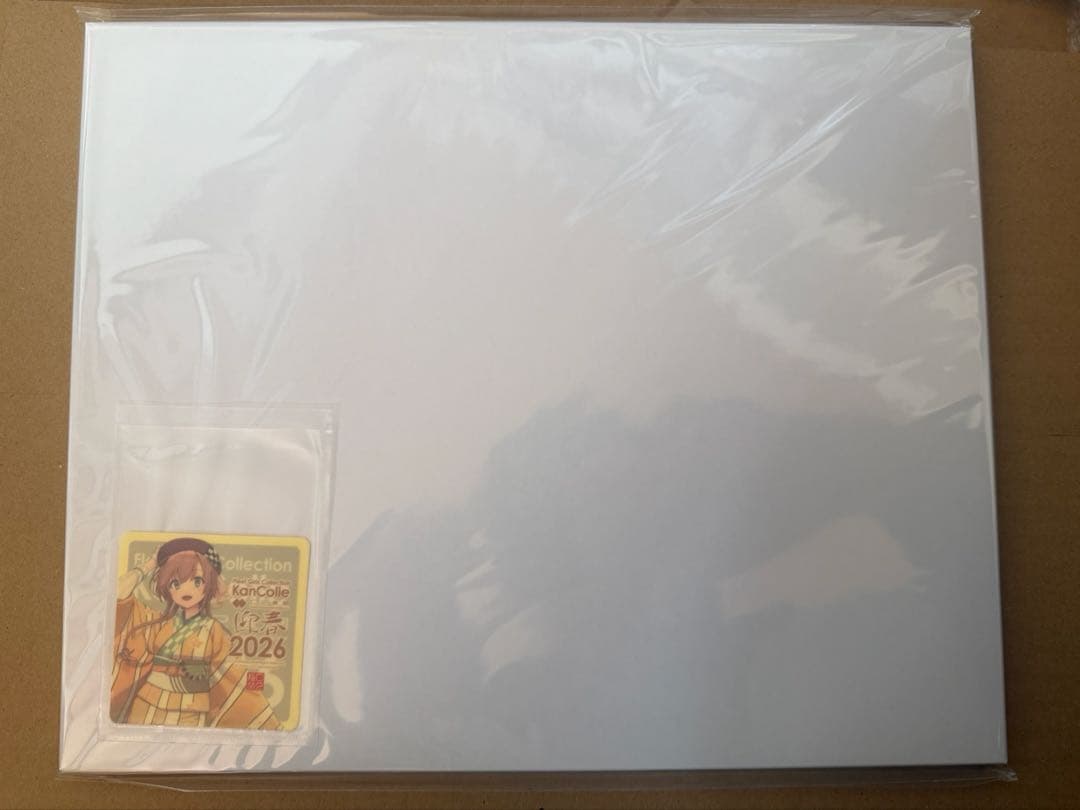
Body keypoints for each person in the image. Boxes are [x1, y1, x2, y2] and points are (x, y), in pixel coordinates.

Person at [111, 536, 281, 730]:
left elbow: (232, 675)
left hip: (189, 709)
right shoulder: (156, 623)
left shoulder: (214, 630)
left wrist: (257, 683)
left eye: (197, 581)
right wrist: (149, 564)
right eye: (176, 583)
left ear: (209, 584)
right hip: (145, 704)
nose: (186, 589)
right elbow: (116, 594)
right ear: (167, 587)